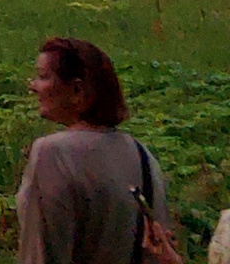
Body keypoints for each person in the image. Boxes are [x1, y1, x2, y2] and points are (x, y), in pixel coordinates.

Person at [19, 36, 179, 264]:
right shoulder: (142, 154)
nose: (32, 86)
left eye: (43, 76)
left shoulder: (53, 153)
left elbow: (42, 252)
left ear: (76, 90)